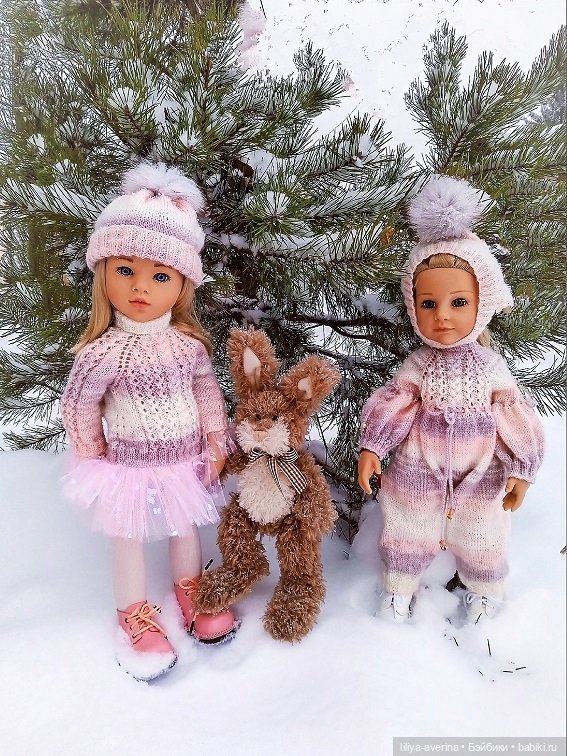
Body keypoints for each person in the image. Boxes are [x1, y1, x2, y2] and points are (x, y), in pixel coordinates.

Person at [61, 162, 238, 681]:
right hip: (127, 468)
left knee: (185, 528)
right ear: (103, 273)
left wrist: (216, 439)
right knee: (128, 536)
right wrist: (91, 453)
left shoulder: (188, 347)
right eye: (125, 270)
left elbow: (207, 394)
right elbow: (79, 405)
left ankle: (190, 589)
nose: (141, 286)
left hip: (183, 461)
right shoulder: (102, 353)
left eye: (160, 275)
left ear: (182, 284)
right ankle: (133, 612)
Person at [357, 175, 545, 624]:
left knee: (484, 535)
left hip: (480, 475)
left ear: (483, 302)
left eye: (458, 302)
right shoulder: (418, 366)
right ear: (413, 306)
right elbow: (397, 403)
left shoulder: (491, 367)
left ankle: (485, 590)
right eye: (428, 304)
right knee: (405, 528)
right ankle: (399, 587)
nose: (442, 315)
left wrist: (523, 466)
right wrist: (373, 445)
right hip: (417, 470)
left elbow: (513, 416)